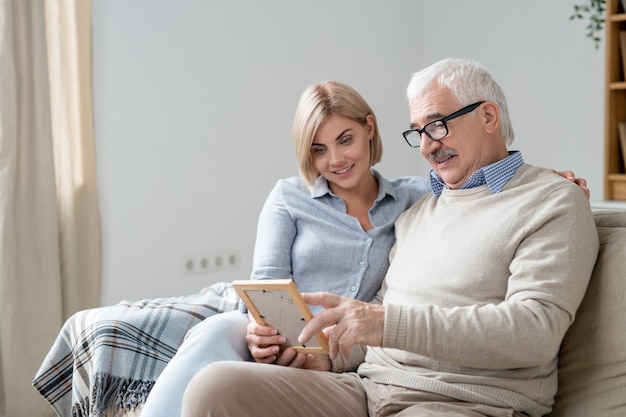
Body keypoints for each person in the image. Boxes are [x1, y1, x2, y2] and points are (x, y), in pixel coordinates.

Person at [180, 58, 599, 417]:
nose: (426, 147)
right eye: (418, 132)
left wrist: (384, 324)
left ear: (488, 117)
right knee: (214, 386)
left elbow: (534, 331)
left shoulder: (552, 202)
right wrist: (323, 359)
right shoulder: (417, 211)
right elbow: (378, 316)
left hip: (459, 400)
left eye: (436, 126)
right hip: (365, 390)